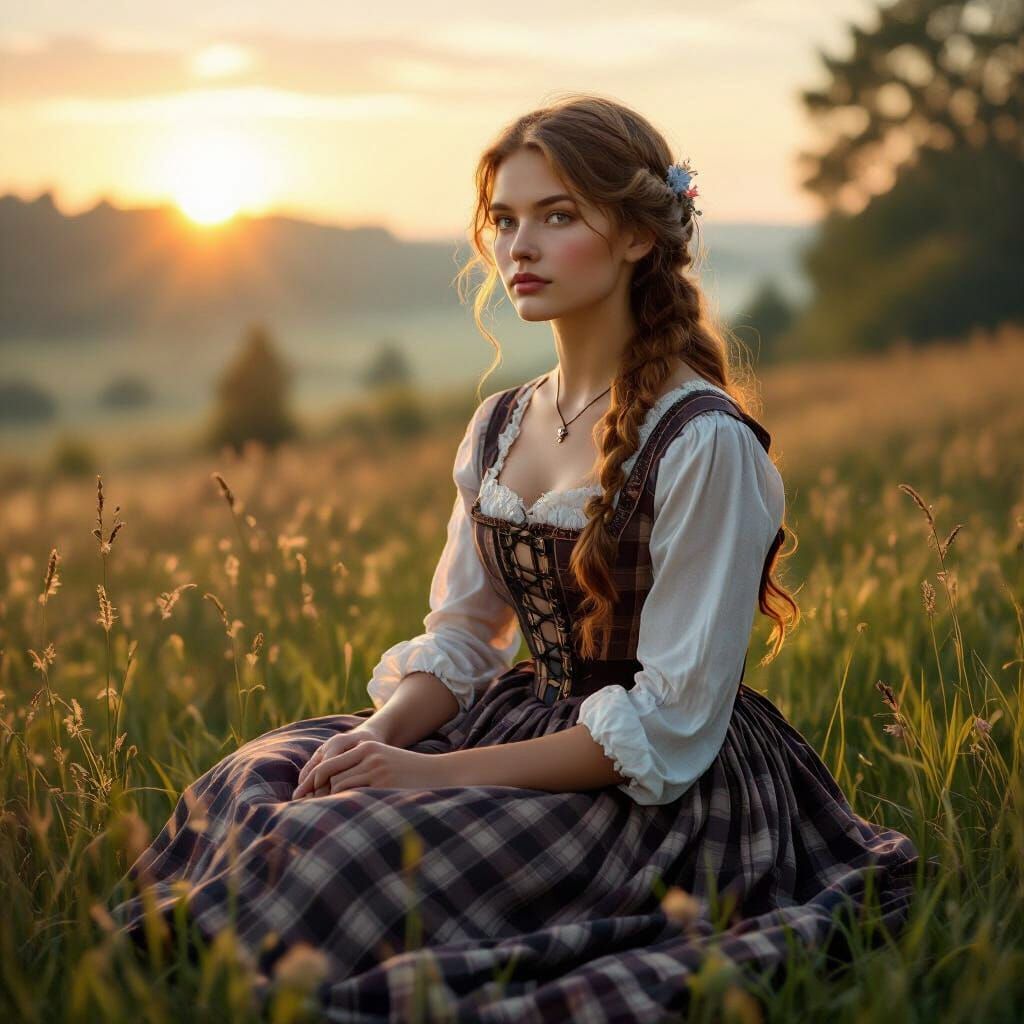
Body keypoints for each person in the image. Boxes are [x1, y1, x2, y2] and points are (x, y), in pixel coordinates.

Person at [108, 94, 923, 1020]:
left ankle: (252, 978)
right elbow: (461, 638)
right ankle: (195, 963)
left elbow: (668, 722)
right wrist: (377, 739)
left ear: (636, 238)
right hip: (521, 726)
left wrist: (426, 776)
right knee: (262, 778)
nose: (519, 247)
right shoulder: (500, 423)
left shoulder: (702, 442)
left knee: (356, 850)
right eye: (505, 220)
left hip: (648, 785)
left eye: (558, 215)